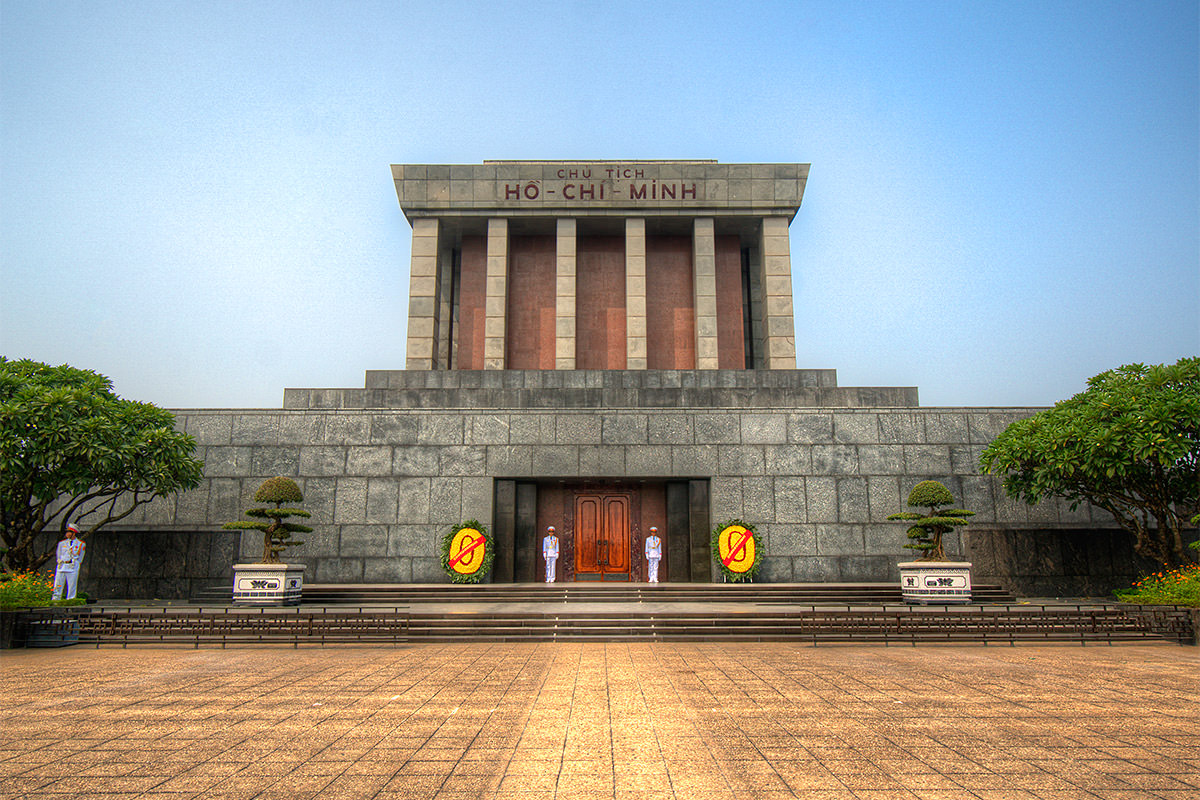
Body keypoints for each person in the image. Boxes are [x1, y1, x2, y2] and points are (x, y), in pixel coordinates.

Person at [51, 523, 86, 600]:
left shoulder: (80, 544)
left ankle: (71, 599)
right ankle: (55, 600)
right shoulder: (62, 543)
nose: (67, 534)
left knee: (72, 584)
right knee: (57, 584)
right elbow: (59, 554)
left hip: (72, 565)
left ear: (73, 533)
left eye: (69, 532)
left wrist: (75, 563)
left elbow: (80, 557)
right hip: (62, 565)